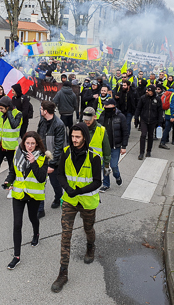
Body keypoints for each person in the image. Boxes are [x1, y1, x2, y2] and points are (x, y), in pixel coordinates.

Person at [51, 122, 102, 293]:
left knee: (88, 228)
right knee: (65, 235)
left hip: (87, 201)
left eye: (77, 137)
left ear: (85, 137)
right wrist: (68, 189)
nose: (74, 140)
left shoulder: (94, 157)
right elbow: (60, 174)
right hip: (69, 200)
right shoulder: (66, 153)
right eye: (72, 136)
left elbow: (97, 181)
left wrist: (79, 191)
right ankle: (63, 273)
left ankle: (90, 246)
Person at [4, 132, 50, 270]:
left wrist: (33, 162)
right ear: (24, 143)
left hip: (33, 195)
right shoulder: (18, 154)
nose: (29, 146)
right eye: (27, 143)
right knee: (17, 224)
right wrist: (8, 181)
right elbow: (13, 171)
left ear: (37, 144)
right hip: (18, 194)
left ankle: (36, 233)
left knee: (32, 217)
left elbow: (41, 178)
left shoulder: (43, 157)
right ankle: (16, 256)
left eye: (32, 144)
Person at [36, 101, 66, 218]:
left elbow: (59, 147)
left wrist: (52, 165)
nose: (40, 109)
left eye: (41, 108)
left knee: (55, 182)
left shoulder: (59, 125)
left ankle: (58, 197)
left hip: (54, 159)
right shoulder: (42, 121)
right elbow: (39, 137)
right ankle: (40, 209)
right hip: (42, 158)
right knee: (40, 183)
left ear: (46, 111)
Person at [0, 96, 22, 192]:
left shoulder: (18, 114)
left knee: (12, 170)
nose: (0, 110)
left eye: (2, 108)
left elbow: (14, 125)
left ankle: (11, 187)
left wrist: (9, 113)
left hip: (11, 148)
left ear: (8, 107)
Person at [98, 98, 129, 191]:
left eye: (107, 105)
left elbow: (125, 132)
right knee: (105, 165)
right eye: (105, 105)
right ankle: (106, 184)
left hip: (116, 146)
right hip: (104, 146)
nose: (105, 107)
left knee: (114, 165)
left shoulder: (120, 117)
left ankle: (117, 176)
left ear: (113, 106)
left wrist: (124, 146)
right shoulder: (103, 115)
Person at [82, 107, 111, 177]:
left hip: (96, 164)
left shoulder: (101, 130)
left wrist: (106, 165)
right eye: (85, 119)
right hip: (82, 163)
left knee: (94, 185)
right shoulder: (80, 128)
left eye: (89, 119)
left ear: (95, 117)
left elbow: (106, 148)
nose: (87, 121)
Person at [136, 85, 163, 159]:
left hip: (153, 120)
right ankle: (141, 153)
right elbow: (138, 108)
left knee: (150, 136)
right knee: (143, 135)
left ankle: (148, 151)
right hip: (144, 119)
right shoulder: (143, 98)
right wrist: (136, 118)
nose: (148, 92)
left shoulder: (157, 99)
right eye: (147, 90)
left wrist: (160, 121)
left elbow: (160, 111)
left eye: (150, 91)